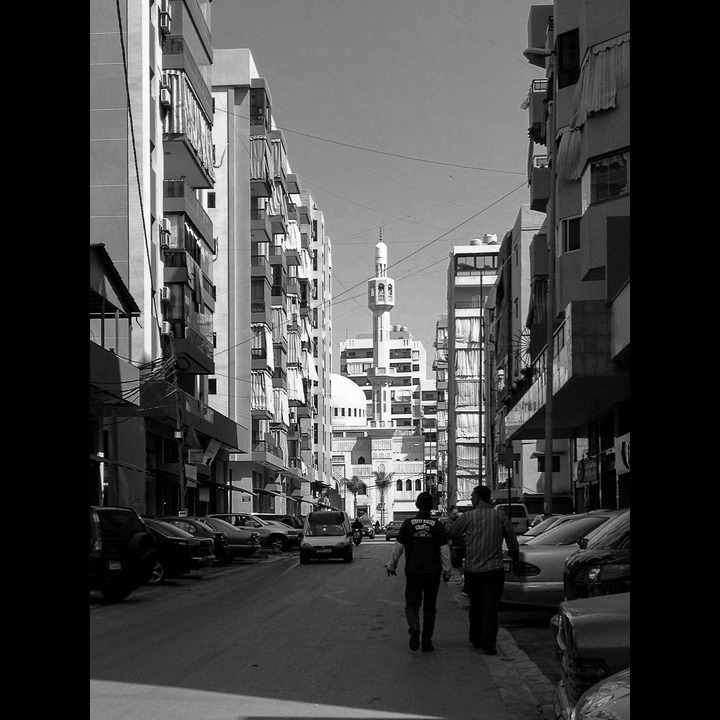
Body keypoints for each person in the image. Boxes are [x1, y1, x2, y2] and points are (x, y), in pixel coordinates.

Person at [446, 485, 520, 655]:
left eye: (472, 496)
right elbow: (512, 541)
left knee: (476, 606)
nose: (471, 498)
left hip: (473, 570)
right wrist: (515, 558)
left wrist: (451, 521)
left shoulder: (468, 517)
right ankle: (489, 644)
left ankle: (476, 638)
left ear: (479, 497)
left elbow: (451, 534)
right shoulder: (500, 516)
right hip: (494, 570)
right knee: (491, 609)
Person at [385, 492, 452, 653]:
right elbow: (444, 550)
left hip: (413, 572)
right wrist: (447, 571)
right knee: (430, 608)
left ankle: (414, 625)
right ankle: (426, 642)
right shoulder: (437, 526)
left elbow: (398, 547)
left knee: (412, 604)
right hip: (432, 573)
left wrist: (392, 565)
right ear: (432, 507)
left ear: (416, 505)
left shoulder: (408, 524)